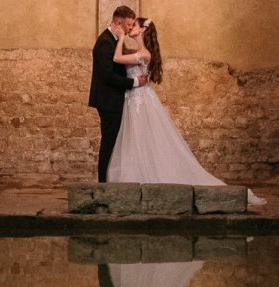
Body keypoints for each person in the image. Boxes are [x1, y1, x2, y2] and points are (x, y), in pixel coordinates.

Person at [106, 18, 267, 206]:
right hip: (135, 100)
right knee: (137, 140)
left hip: (140, 100)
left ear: (142, 30)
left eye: (133, 26)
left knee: (144, 139)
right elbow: (124, 57)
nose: (130, 27)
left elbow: (117, 58)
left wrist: (120, 38)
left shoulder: (144, 54)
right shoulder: (138, 52)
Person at [89, 6, 146, 183]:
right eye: (128, 25)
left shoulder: (114, 40)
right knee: (109, 142)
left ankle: (110, 179)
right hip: (108, 101)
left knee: (114, 141)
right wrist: (134, 82)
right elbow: (108, 75)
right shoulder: (105, 42)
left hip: (114, 99)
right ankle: (102, 183)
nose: (130, 28)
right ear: (118, 23)